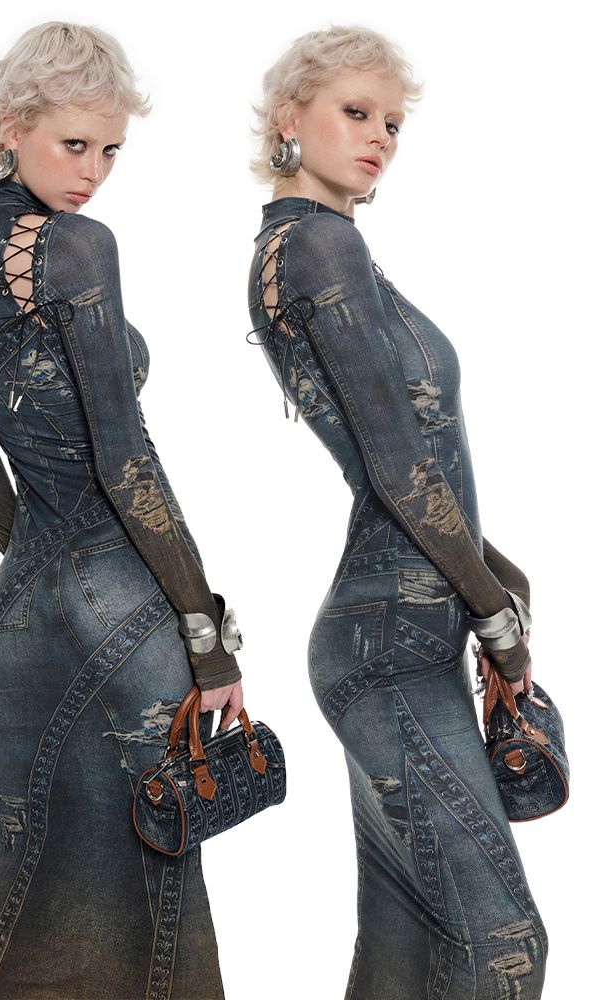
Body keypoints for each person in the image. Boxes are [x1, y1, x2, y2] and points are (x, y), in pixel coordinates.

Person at [0, 22, 242, 1000]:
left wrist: (33, 553)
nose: (95, 172)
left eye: (112, 149)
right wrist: (207, 635)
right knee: (156, 874)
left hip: (21, 604)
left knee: (22, 853)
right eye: (75, 143)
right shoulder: (76, 248)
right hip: (121, 595)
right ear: (14, 125)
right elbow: (126, 459)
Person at [247, 26, 546, 999]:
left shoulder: (303, 248)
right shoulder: (319, 246)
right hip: (392, 642)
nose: (380, 135)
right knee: (504, 944)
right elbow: (397, 465)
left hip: (394, 629)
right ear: (289, 117)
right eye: (355, 111)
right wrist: (497, 622)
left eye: (392, 122)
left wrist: (496, 573)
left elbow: (405, 469)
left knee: (405, 956)